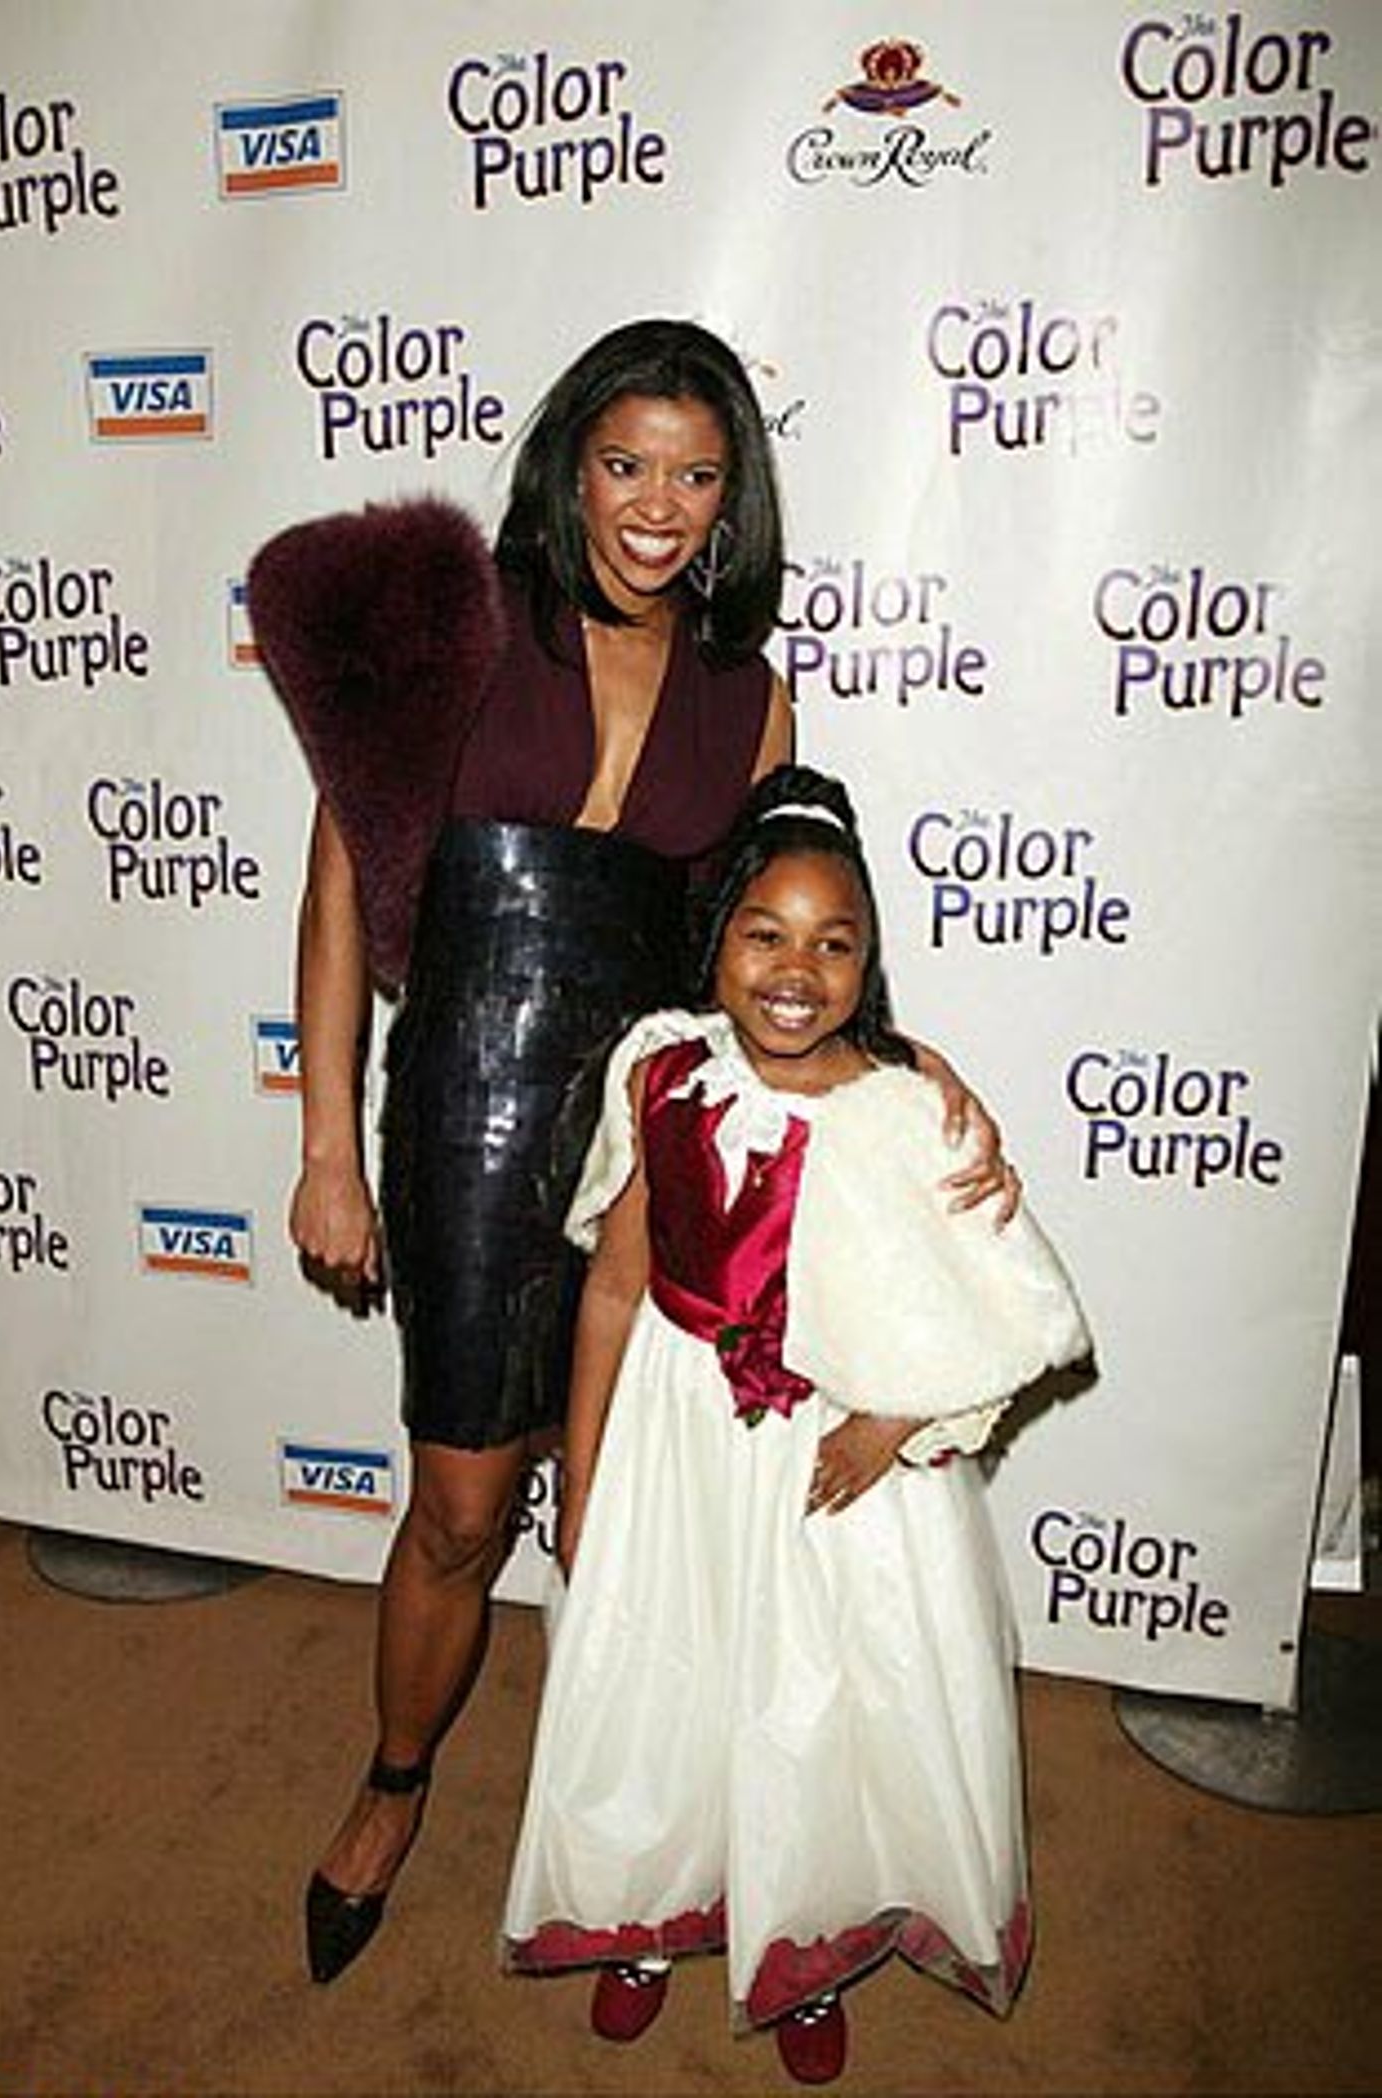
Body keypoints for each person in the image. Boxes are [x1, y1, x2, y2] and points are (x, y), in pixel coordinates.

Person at [247, 320, 1017, 1988]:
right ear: (570, 467)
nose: (656, 506)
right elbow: (336, 893)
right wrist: (327, 1146)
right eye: (624, 464)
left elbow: (779, 941)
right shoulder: (464, 625)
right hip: (464, 1102)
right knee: (461, 1500)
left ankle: (645, 1798)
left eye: (695, 473)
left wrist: (906, 1056)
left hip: (654, 1133)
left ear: (734, 497)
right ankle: (395, 1777)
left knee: (654, 1496)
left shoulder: (750, 694)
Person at [501, 764, 1091, 2085]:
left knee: (813, 1698)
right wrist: (584, 1479)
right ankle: (652, 1903)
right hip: (671, 1436)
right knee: (667, 1671)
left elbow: (1011, 1309)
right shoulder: (659, 1071)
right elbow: (613, 1287)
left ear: (868, 964)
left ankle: (807, 1931)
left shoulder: (905, 1108)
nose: (795, 970)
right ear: (719, 940)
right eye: (766, 933)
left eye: (834, 944)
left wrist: (897, 1422)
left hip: (831, 1467)